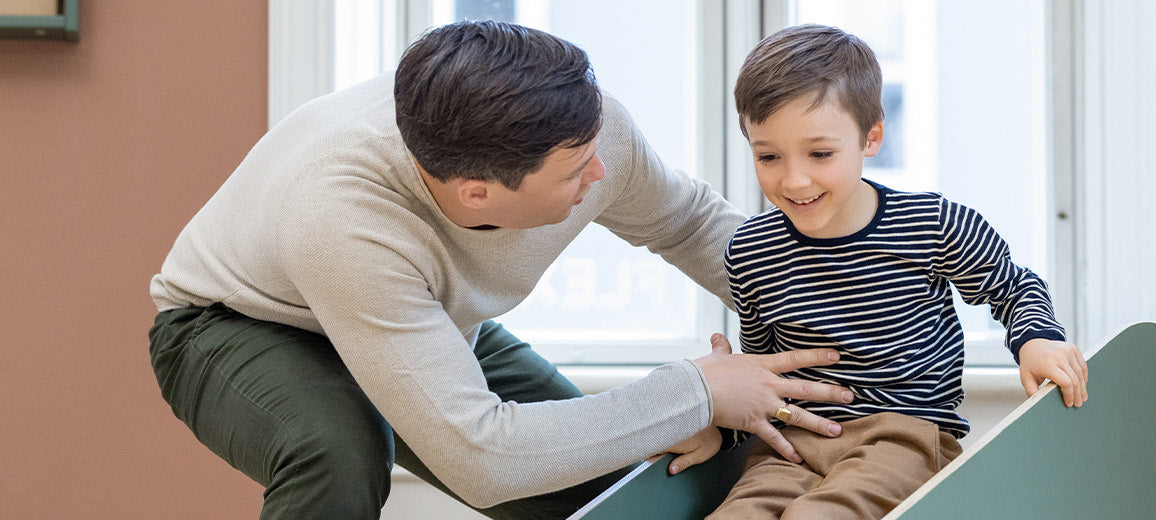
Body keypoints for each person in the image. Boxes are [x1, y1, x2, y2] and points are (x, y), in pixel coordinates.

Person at [146, 21, 857, 520]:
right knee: (338, 449)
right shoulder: (343, 217)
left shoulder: (586, 125)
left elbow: (691, 223)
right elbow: (484, 461)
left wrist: (854, 318)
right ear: (476, 193)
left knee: (620, 491)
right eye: (577, 172)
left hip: (426, 313)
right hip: (237, 324)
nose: (602, 175)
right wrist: (695, 394)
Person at [661, 25, 1092, 520]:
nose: (793, 179)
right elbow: (767, 376)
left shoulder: (929, 224)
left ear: (871, 137)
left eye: (820, 154)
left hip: (902, 438)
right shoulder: (752, 251)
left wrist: (1037, 338)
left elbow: (1013, 286)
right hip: (794, 445)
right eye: (768, 156)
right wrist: (719, 425)